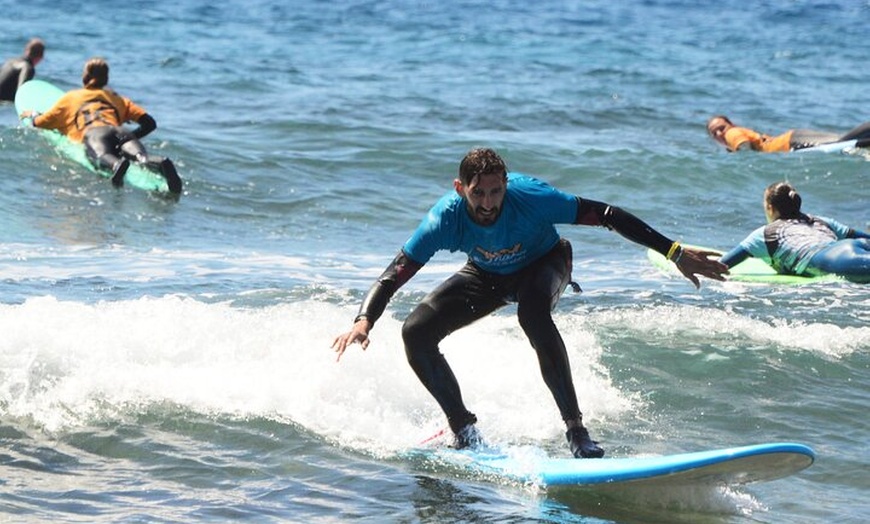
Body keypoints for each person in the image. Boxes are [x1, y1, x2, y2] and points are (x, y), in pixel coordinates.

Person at [331, 147, 729, 459]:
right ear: (460, 188)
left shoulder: (533, 197)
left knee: (533, 315)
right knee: (415, 332)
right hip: (486, 274)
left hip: (546, 262)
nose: (488, 204)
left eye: (495, 191)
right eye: (478, 194)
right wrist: (364, 319)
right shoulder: (444, 219)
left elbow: (608, 214)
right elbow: (396, 271)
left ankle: (576, 430)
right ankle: (463, 429)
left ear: (506, 183)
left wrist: (674, 252)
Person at [19, 57, 159, 188]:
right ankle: (157, 162)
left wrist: (33, 115)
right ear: (106, 78)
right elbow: (150, 124)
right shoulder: (119, 99)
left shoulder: (70, 98)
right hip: (121, 132)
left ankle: (116, 165)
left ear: (85, 77)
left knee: (101, 157)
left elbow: (42, 122)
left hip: (94, 135)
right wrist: (125, 139)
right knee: (142, 158)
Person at [720, 182, 870, 282]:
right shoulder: (820, 220)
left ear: (770, 208)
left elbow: (721, 266)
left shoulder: (765, 234)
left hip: (837, 261)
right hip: (852, 247)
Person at [706, 115, 870, 153]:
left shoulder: (733, 133)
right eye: (715, 133)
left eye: (722, 127)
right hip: (792, 138)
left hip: (791, 142)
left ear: (731, 124)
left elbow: (747, 153)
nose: (720, 133)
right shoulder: (733, 137)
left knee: (842, 142)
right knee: (843, 141)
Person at [0, 38, 45, 102]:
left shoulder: (9, 62)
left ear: (26, 50)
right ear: (41, 57)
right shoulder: (27, 68)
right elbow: (21, 92)